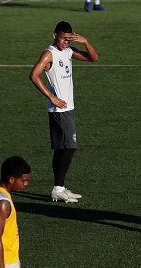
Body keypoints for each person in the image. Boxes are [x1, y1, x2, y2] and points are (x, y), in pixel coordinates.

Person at [29, 21, 98, 203]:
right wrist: (51, 97)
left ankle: (58, 188)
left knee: (61, 148)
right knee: (70, 147)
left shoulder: (68, 51)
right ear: (55, 36)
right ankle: (58, 188)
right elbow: (34, 75)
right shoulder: (49, 54)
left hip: (69, 108)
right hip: (59, 110)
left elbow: (93, 58)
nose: (66, 42)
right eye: (63, 38)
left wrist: (85, 42)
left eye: (69, 39)